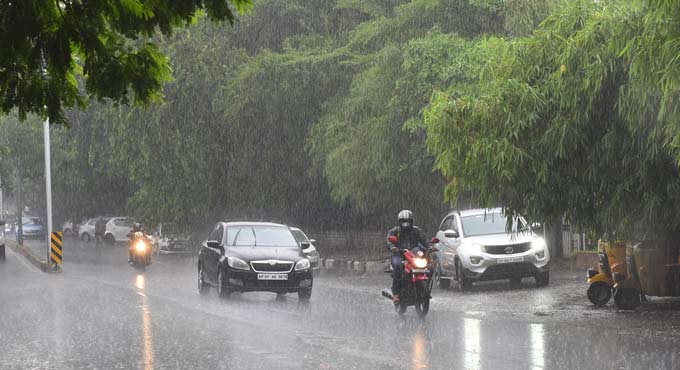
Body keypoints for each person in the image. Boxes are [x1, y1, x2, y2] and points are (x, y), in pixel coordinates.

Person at [386, 210, 429, 303]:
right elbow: (389, 241)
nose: (406, 224)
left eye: (408, 221)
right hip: (399, 254)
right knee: (398, 266)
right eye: (403, 221)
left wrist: (430, 247)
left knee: (429, 267)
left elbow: (425, 241)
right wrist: (393, 247)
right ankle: (396, 293)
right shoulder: (395, 231)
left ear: (412, 221)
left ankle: (423, 290)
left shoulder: (417, 231)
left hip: (413, 254)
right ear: (399, 221)